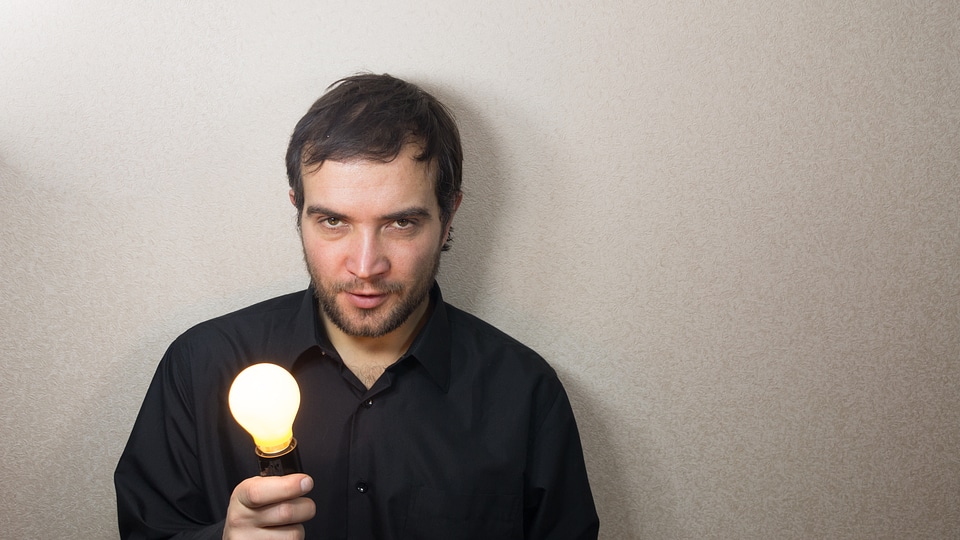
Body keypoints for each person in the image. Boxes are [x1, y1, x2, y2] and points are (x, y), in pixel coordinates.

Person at [114, 73, 599, 539]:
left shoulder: (525, 392)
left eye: (401, 223)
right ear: (297, 210)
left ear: (448, 217)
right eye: (333, 221)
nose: (366, 265)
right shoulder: (200, 366)